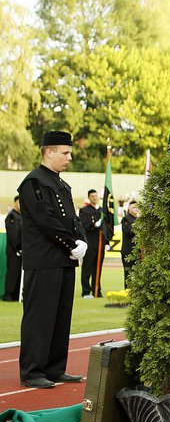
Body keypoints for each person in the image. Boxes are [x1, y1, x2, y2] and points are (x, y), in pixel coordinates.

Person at [17, 131, 87, 388]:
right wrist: (71, 244)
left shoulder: (62, 185)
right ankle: (33, 371)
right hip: (44, 262)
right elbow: (47, 220)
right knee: (40, 318)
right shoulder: (33, 182)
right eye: (65, 152)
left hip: (64, 261)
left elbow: (72, 218)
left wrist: (83, 241)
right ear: (49, 151)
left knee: (60, 317)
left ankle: (55, 368)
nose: (70, 157)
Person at [78, 189, 103, 298]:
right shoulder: (85, 210)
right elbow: (84, 225)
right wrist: (94, 225)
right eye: (92, 196)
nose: (95, 198)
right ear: (89, 198)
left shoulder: (102, 211)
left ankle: (97, 290)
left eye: (96, 196)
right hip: (89, 243)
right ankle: (86, 291)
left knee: (97, 269)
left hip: (100, 244)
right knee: (87, 268)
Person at [3, 196, 22, 302]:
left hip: (21, 250)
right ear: (15, 203)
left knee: (19, 272)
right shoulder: (11, 216)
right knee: (12, 272)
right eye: (19, 202)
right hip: (13, 250)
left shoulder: (21, 216)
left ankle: (16, 293)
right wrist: (18, 247)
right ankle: (8, 293)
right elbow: (13, 235)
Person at [120, 201, 139, 288]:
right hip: (128, 251)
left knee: (137, 274)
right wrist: (139, 227)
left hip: (138, 251)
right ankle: (128, 291)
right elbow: (128, 231)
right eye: (133, 207)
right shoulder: (126, 219)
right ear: (129, 209)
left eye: (137, 207)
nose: (136, 209)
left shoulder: (139, 219)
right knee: (128, 273)